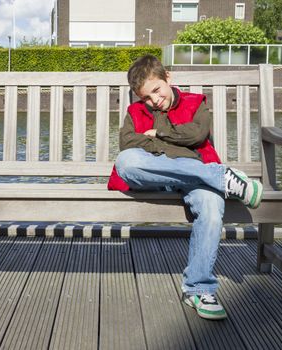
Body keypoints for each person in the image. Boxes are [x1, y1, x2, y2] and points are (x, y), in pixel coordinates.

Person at [108, 54, 263, 320]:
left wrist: (158, 135)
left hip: (194, 177)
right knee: (126, 162)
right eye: (146, 97)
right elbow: (128, 143)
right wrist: (174, 148)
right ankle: (223, 178)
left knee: (212, 207)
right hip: (157, 176)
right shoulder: (136, 111)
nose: (154, 101)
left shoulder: (195, 102)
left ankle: (198, 289)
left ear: (168, 78)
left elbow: (197, 134)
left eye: (157, 91)